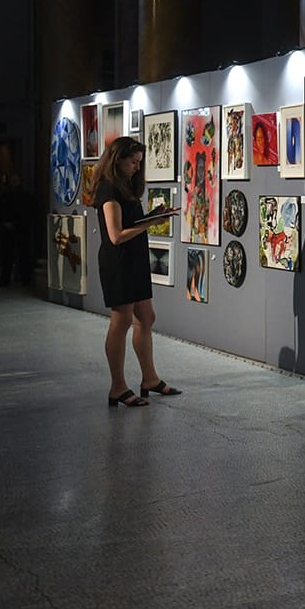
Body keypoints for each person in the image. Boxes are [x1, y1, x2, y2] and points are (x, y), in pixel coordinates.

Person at [92, 136, 182, 408]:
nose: (136, 167)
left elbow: (130, 222)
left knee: (146, 316)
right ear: (117, 159)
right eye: (133, 161)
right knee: (121, 322)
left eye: (139, 162)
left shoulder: (126, 186)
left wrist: (153, 215)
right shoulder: (108, 189)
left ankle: (150, 379)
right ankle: (117, 387)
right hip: (119, 262)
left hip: (135, 259)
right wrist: (151, 223)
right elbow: (116, 235)